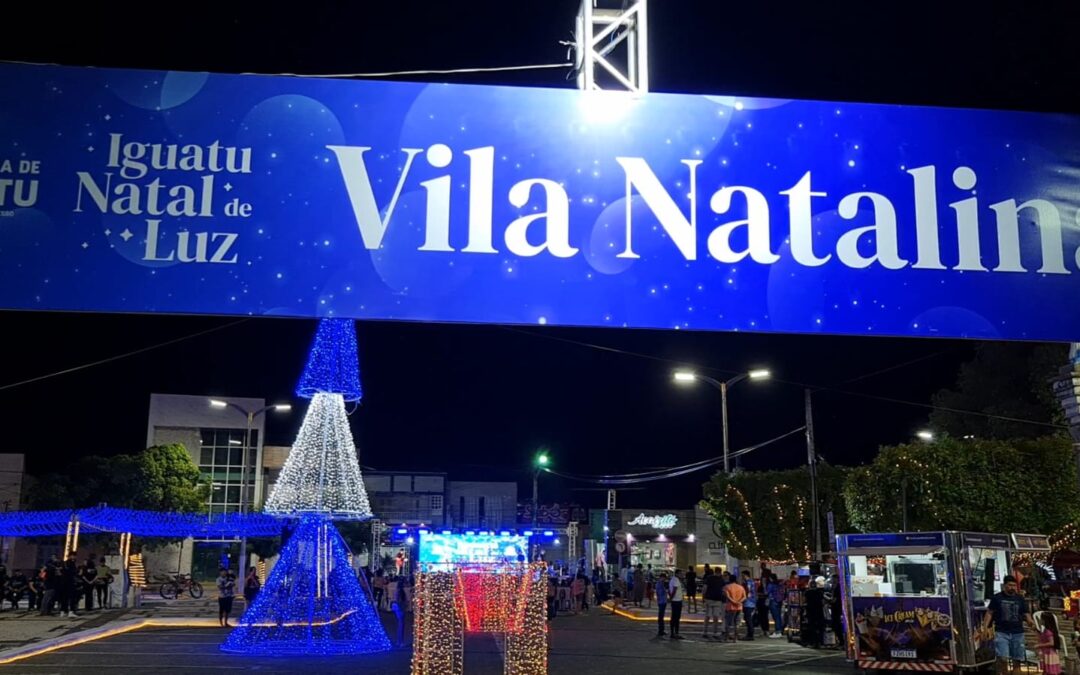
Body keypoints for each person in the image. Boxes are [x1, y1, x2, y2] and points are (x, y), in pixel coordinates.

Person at [984, 575, 1034, 675]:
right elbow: (990, 612)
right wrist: (985, 627)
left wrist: (1030, 622)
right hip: (1001, 632)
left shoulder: (1020, 599)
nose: (1012, 588)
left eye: (1014, 585)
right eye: (1010, 585)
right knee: (1002, 658)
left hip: (1018, 632)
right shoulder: (997, 598)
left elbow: (1026, 613)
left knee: (1017, 660)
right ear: (1004, 585)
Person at [702, 566, 726, 639]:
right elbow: (723, 590)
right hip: (718, 600)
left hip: (709, 599)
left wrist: (703, 597)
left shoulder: (709, 578)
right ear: (720, 572)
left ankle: (705, 632)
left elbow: (704, 588)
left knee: (707, 616)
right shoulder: (722, 580)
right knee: (716, 617)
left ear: (715, 571)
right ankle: (714, 633)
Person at [724, 571, 747, 642]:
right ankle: (735, 638)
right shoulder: (741, 587)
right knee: (736, 623)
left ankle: (727, 638)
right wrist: (739, 602)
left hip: (730, 606)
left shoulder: (727, 587)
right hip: (739, 607)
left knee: (728, 623)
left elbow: (727, 596)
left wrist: (734, 601)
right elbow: (744, 597)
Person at [804, 577, 826, 648]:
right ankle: (820, 643)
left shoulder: (807, 593)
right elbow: (823, 602)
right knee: (820, 628)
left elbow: (804, 601)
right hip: (819, 611)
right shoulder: (820, 593)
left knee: (812, 627)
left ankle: (813, 642)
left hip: (811, 611)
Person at [767, 573, 785, 637]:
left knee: (776, 617)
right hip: (779, 601)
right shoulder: (780, 584)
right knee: (778, 616)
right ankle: (779, 631)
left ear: (771, 578)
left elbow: (767, 592)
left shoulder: (771, 585)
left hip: (773, 601)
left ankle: (778, 631)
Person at [669, 569, 686, 640]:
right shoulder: (676, 580)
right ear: (677, 574)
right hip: (677, 601)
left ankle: (673, 633)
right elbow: (674, 590)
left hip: (675, 600)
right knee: (676, 617)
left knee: (674, 617)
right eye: (681, 574)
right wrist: (671, 598)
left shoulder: (673, 579)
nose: (682, 575)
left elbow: (671, 590)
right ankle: (675, 633)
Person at [741, 569, 757, 640]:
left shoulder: (748, 583)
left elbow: (747, 592)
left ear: (745, 575)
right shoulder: (752, 582)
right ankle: (750, 633)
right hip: (751, 602)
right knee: (748, 618)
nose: (742, 577)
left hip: (748, 602)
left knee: (748, 619)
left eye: (743, 575)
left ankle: (750, 634)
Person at [654, 572, 669, 638]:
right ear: (662, 577)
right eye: (664, 578)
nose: (665, 579)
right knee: (661, 616)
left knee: (661, 616)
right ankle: (661, 631)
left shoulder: (660, 584)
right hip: (662, 601)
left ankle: (661, 630)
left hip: (662, 601)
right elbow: (660, 593)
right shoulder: (660, 584)